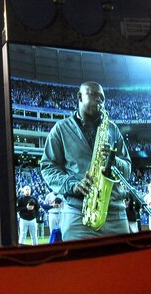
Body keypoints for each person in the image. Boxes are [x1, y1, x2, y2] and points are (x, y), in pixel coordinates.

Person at [40, 81, 132, 240]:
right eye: (94, 94)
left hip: (116, 214)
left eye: (102, 98)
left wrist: (113, 161)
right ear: (79, 97)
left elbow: (127, 168)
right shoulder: (60, 129)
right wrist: (72, 185)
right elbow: (48, 167)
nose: (99, 100)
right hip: (78, 215)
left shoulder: (112, 129)